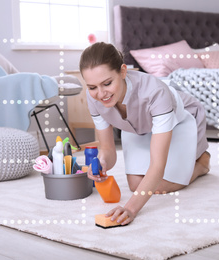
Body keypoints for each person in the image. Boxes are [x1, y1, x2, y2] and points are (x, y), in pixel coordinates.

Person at [80, 42, 210, 226]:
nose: (101, 94)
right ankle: (191, 163)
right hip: (139, 126)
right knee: (135, 185)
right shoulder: (93, 97)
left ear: (123, 72)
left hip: (178, 119)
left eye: (107, 83)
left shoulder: (156, 93)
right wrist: (102, 164)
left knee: (163, 184)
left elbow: (158, 165)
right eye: (92, 87)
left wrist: (130, 209)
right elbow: (108, 149)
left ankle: (201, 164)